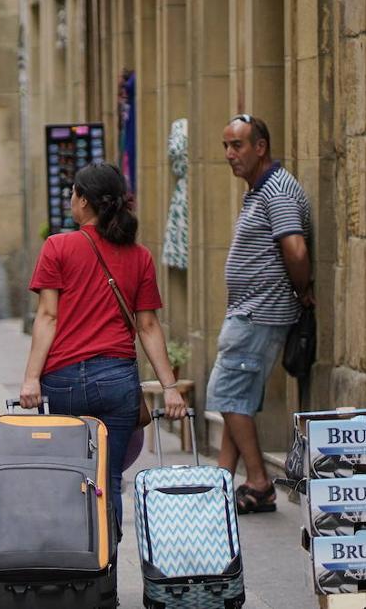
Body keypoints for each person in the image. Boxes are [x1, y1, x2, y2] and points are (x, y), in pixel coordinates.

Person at [19, 162, 186, 533]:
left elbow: (47, 317)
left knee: (70, 477)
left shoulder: (57, 247)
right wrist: (170, 387)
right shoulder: (138, 256)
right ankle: (106, 568)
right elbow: (147, 325)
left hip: (61, 380)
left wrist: (31, 379)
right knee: (107, 481)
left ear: (83, 200)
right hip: (116, 381)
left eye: (73, 194)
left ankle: (79, 568)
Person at [209, 114, 312, 514]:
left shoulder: (277, 193)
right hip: (250, 313)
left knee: (227, 395)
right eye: (226, 147)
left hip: (258, 315)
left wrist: (302, 290)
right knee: (237, 399)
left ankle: (258, 481)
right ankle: (220, 483)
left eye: (237, 145)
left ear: (260, 147)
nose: (230, 154)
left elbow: (297, 251)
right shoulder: (260, 189)